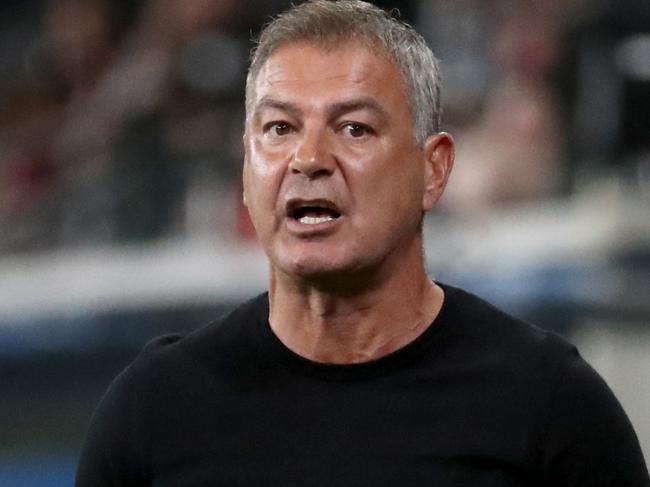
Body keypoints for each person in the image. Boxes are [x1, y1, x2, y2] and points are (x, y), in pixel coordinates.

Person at [76, 1, 649, 485]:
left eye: (354, 128)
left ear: (434, 170)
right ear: (245, 167)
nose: (308, 159)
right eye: (279, 128)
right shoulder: (153, 412)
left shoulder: (548, 404)